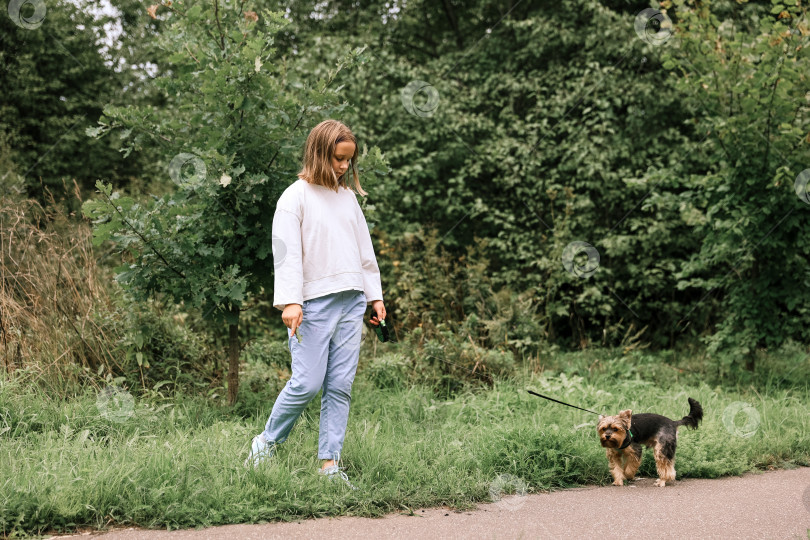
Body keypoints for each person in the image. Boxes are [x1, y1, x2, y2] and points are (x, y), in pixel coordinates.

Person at [244, 119, 386, 490]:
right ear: (320, 152)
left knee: (339, 384)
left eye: (348, 161)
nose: (343, 167)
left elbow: (364, 253)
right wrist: (290, 301)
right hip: (312, 306)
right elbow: (286, 255)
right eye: (339, 159)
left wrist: (375, 295)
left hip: (352, 300)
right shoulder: (295, 197)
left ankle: (329, 466)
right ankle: (266, 443)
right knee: (307, 383)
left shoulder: (349, 199)